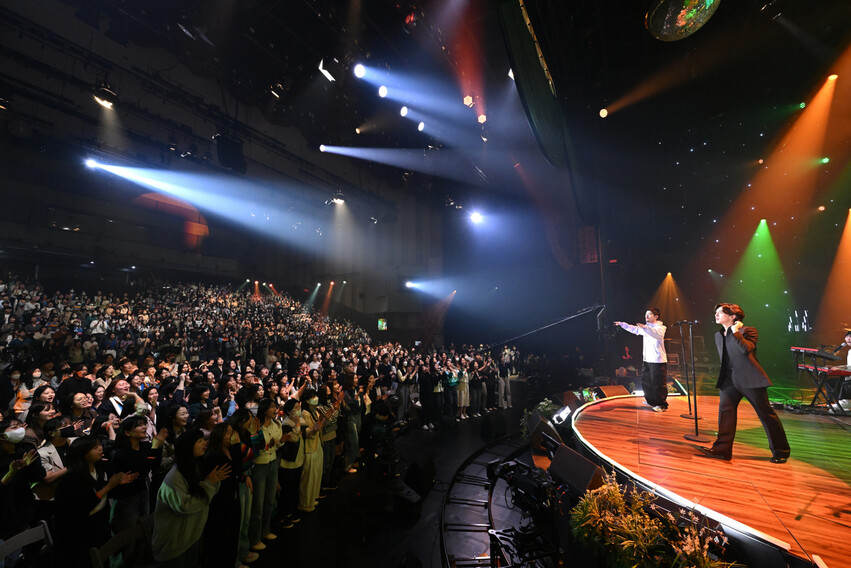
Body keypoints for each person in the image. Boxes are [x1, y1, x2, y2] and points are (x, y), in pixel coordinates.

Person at [697, 303, 791, 463]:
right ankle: (722, 450)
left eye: (720, 312)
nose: (716, 315)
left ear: (733, 316)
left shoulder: (748, 331)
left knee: (766, 414)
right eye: (716, 313)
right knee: (725, 414)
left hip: (749, 380)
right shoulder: (718, 335)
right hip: (729, 381)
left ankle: (781, 451)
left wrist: (735, 332)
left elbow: (747, 349)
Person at [151, 429, 230, 567]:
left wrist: (213, 480)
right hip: (172, 545)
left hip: (190, 539)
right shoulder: (174, 478)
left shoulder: (196, 467)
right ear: (188, 447)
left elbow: (207, 494)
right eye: (199, 441)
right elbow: (185, 506)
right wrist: (209, 483)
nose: (204, 443)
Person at [614, 308, 669, 411]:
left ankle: (661, 405)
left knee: (658, 383)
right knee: (646, 381)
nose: (646, 317)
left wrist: (644, 327)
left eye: (649, 314)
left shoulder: (661, 328)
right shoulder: (646, 328)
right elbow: (634, 329)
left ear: (656, 316)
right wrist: (623, 324)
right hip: (647, 360)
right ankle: (651, 401)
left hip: (657, 360)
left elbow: (656, 334)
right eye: (645, 315)